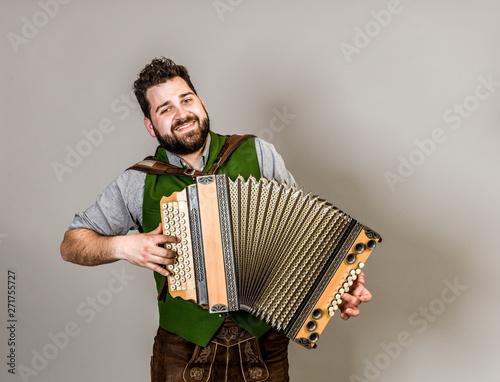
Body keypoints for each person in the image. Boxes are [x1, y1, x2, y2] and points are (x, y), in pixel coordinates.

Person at [60, 57, 373, 382]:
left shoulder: (257, 152)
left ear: (201, 102)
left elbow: (303, 233)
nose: (181, 113)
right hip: (183, 350)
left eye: (186, 99)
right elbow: (72, 245)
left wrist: (338, 285)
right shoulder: (137, 182)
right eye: (165, 109)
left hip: (264, 347)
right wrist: (125, 247)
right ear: (150, 126)